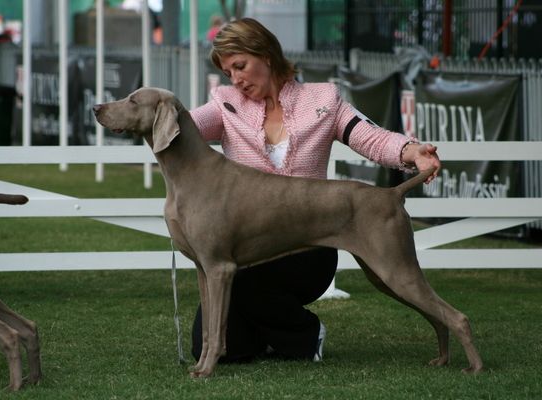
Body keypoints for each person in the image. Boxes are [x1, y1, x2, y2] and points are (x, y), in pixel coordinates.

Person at [188, 18, 440, 364]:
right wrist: (153, 114)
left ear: (266, 54)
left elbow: (373, 138)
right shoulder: (225, 104)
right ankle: (271, 334)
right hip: (251, 245)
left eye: (240, 66)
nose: (236, 79)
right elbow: (185, 126)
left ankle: (307, 334)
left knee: (234, 277)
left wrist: (413, 151)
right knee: (227, 346)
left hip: (309, 246)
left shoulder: (322, 100)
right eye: (228, 72)